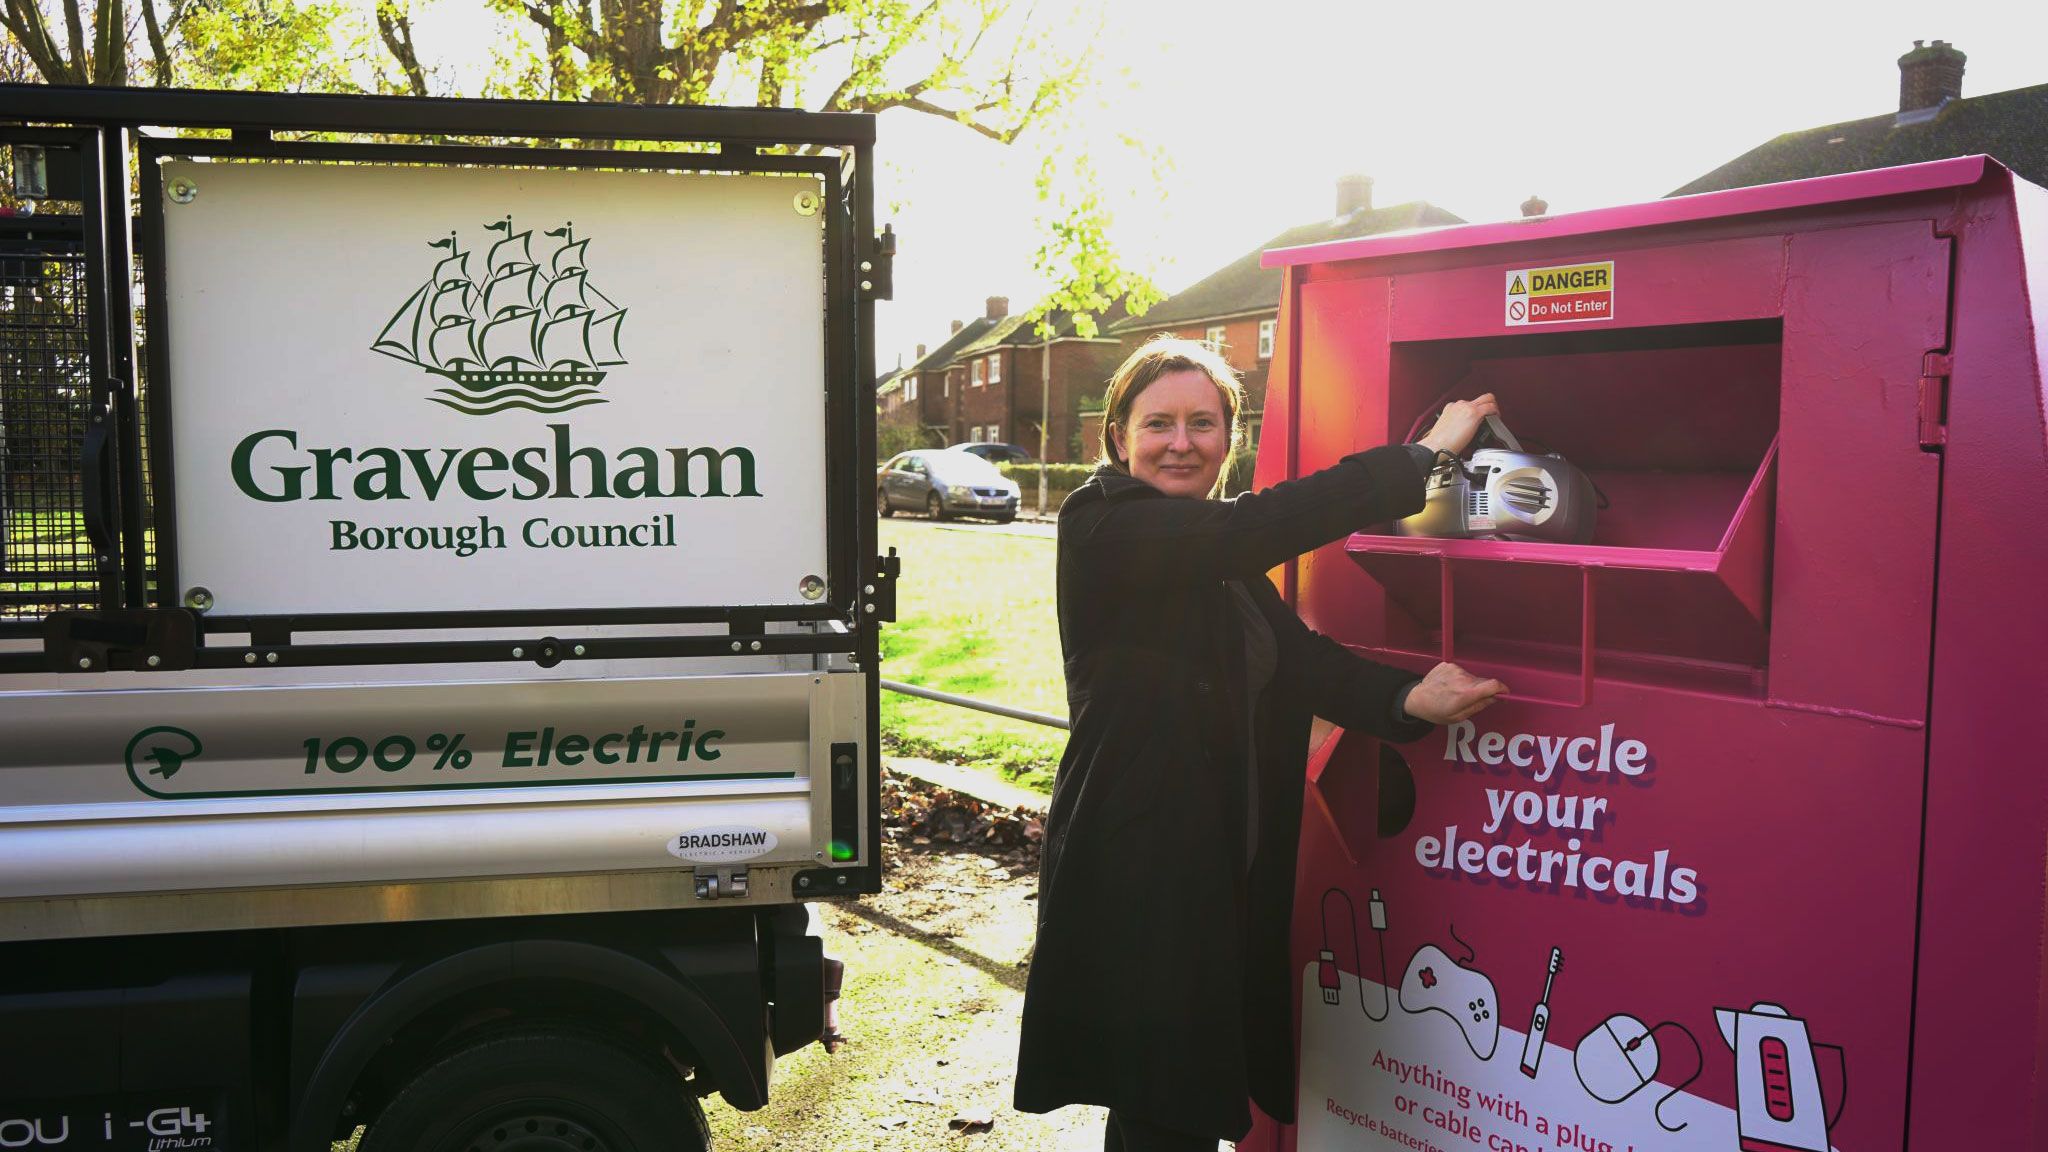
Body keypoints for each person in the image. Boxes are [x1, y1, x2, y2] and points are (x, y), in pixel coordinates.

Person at [1013, 337, 1508, 1152]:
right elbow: (1258, 526)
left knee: (1175, 1094)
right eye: (1159, 423)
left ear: (1229, 437)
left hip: (1218, 858)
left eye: (1203, 423)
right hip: (1143, 861)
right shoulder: (1103, 524)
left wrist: (1408, 696)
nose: (1182, 442)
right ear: (1117, 437)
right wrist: (1420, 457)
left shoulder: (1219, 559)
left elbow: (1296, 660)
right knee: (1164, 1097)